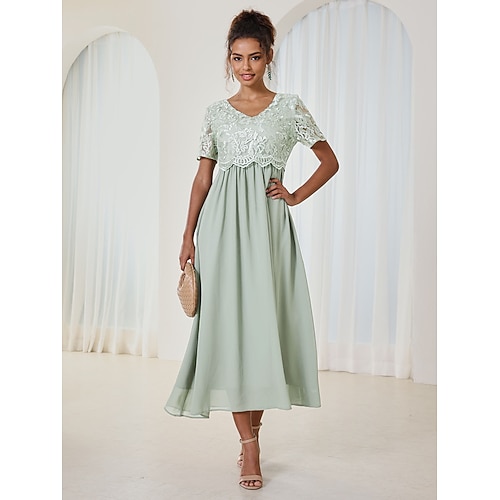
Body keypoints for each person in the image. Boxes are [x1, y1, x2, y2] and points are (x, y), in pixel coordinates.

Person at [165, 9, 339, 490]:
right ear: (229, 58)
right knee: (229, 331)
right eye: (238, 58)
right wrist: (187, 235)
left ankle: (253, 432)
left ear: (269, 57)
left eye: (255, 57)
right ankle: (249, 445)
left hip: (268, 231)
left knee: (265, 332)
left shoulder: (290, 108)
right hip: (221, 231)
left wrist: (295, 195)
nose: (246, 67)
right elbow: (203, 179)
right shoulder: (215, 113)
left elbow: (329, 161)